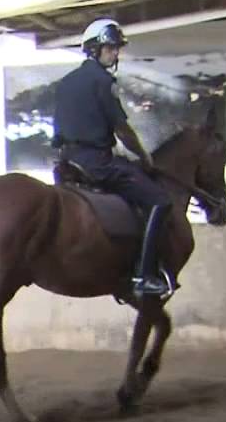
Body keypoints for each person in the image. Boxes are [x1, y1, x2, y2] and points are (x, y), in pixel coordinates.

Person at [52, 18, 173, 299]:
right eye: (110, 48)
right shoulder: (103, 81)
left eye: (116, 48)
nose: (115, 53)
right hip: (97, 163)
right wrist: (143, 156)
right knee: (160, 200)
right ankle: (144, 274)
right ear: (94, 49)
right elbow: (122, 129)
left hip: (67, 161)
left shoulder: (66, 82)